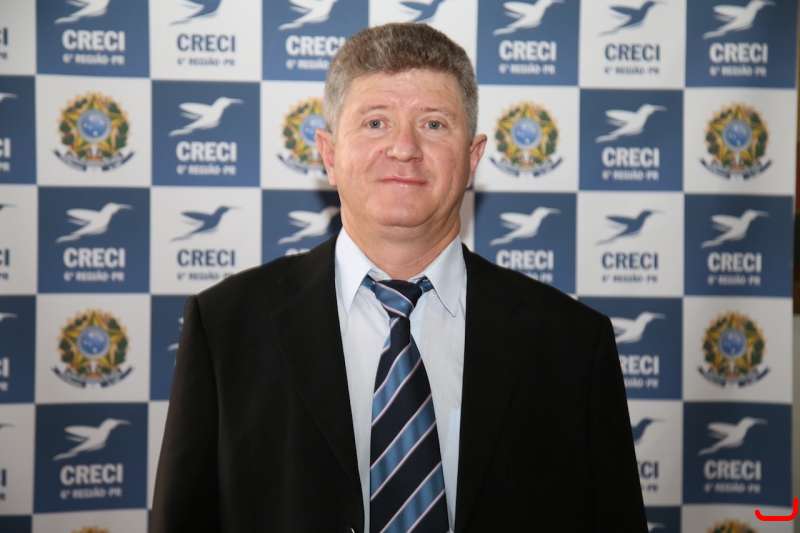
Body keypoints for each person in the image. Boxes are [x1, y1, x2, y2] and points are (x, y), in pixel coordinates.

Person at [151, 23, 647, 533]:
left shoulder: (572, 343)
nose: (404, 148)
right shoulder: (224, 327)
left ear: (472, 158)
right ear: (329, 154)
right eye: (375, 123)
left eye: (433, 124)